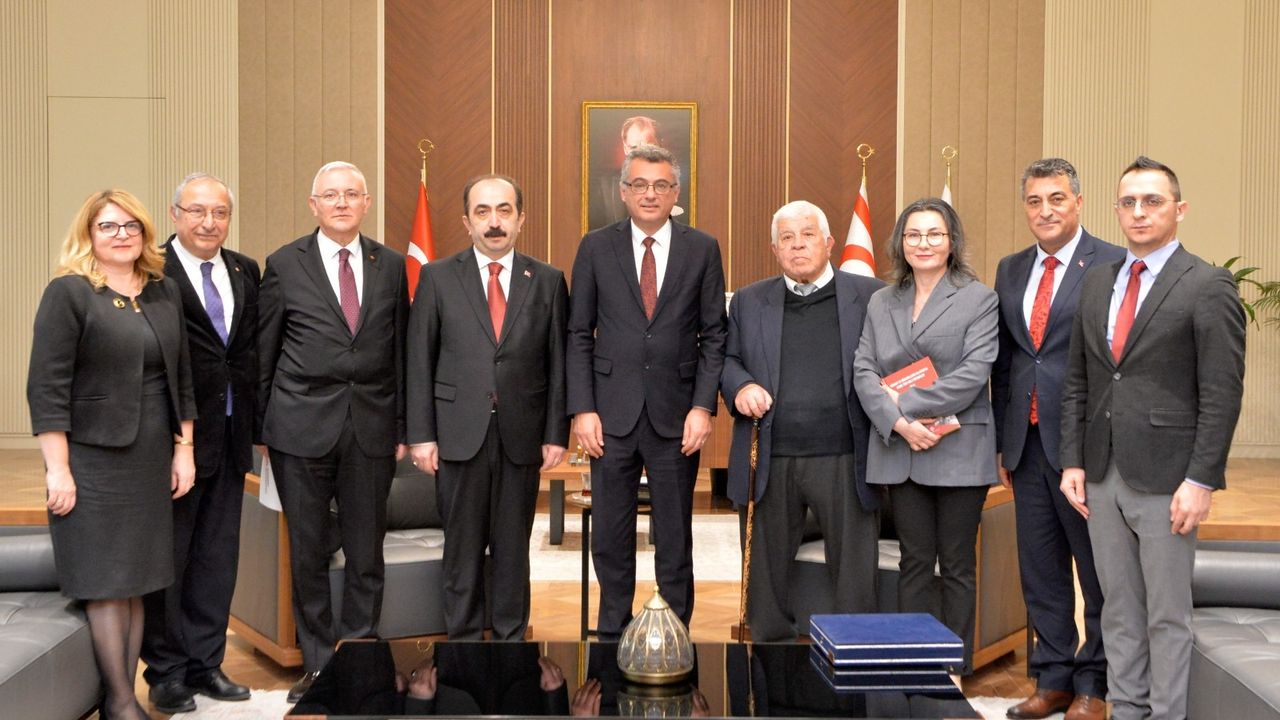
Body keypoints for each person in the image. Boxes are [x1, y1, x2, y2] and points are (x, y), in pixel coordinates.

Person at [1060, 156, 1245, 720]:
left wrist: (1201, 480)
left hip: (1169, 478)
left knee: (1166, 615)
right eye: (1129, 202)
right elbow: (1079, 380)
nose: (1139, 212)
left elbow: (1221, 394)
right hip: (1101, 473)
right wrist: (1073, 461)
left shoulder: (1207, 284)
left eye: (1152, 201)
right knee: (1117, 608)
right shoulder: (1098, 280)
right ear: (1116, 210)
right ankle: (1128, 710)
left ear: (1179, 209)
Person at [28, 189, 196, 720]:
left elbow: (182, 379)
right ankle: (121, 703)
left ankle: (122, 701)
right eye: (108, 226)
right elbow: (46, 389)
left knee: (137, 582)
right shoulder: (70, 293)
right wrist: (58, 469)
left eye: (131, 225)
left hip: (150, 457)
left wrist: (184, 449)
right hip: (91, 459)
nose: (121, 234)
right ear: (89, 234)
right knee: (105, 583)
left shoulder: (163, 290)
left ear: (145, 233)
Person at [257, 161, 409, 701]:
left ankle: (360, 654)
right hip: (298, 429)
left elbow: (401, 350)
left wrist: (402, 425)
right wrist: (263, 431)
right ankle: (320, 664)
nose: (341, 203)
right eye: (331, 195)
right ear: (313, 204)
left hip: (371, 427)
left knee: (367, 551)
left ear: (366, 203)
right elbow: (264, 352)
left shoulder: (391, 265)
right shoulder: (283, 264)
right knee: (308, 552)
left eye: (351, 194)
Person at [567, 143, 727, 638]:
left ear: (676, 192)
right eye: (639, 184)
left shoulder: (702, 248)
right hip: (609, 416)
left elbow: (714, 335)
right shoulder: (596, 246)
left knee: (675, 536)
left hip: (676, 417)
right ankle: (612, 632)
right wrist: (583, 409)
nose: (650, 194)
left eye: (661, 185)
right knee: (610, 535)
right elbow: (578, 333)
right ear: (624, 191)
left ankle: (673, 634)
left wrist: (703, 406)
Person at [406, 174, 569, 640]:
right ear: (466, 221)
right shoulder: (437, 277)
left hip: (522, 435)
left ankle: (511, 643)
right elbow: (419, 360)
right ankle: (461, 643)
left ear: (521, 218)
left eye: (503, 211)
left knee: (513, 549)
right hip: (457, 434)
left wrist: (555, 433)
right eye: (482, 212)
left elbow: (559, 363)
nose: (493, 222)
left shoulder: (548, 280)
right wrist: (422, 435)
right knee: (462, 549)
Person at [720, 200, 884, 641]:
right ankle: (770, 662)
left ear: (829, 243)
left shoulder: (872, 297)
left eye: (807, 235)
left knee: (854, 575)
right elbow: (727, 360)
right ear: (774, 249)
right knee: (765, 578)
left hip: (847, 455)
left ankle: (853, 660)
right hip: (771, 456)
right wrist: (741, 387)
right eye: (786, 238)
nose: (797, 246)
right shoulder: (749, 300)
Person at [991, 159, 1120, 720]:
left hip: (1086, 447)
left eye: (1057, 199)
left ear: (1079, 202)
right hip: (1025, 443)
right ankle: (1053, 678)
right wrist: (1002, 440)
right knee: (1040, 570)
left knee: (1096, 572)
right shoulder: (1011, 268)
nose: (1045, 210)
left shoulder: (1113, 263)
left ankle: (1095, 682)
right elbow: (1007, 360)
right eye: (1035, 200)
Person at [852, 197, 998, 674]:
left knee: (956, 563)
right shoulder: (881, 300)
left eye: (935, 234)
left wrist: (905, 405)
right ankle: (912, 659)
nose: (924, 243)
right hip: (901, 448)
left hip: (958, 449)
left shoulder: (979, 298)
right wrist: (897, 423)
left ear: (952, 241)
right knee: (913, 560)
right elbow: (863, 370)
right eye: (913, 234)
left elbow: (973, 374)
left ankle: (953, 666)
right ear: (901, 243)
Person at [139, 173, 260, 712]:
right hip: (173, 441)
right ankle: (166, 671)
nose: (209, 222)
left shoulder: (244, 269)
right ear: (175, 214)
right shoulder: (150, 271)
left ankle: (206, 663)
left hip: (231, 436)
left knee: (216, 558)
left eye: (220, 212)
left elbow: (246, 352)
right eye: (197, 211)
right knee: (170, 559)